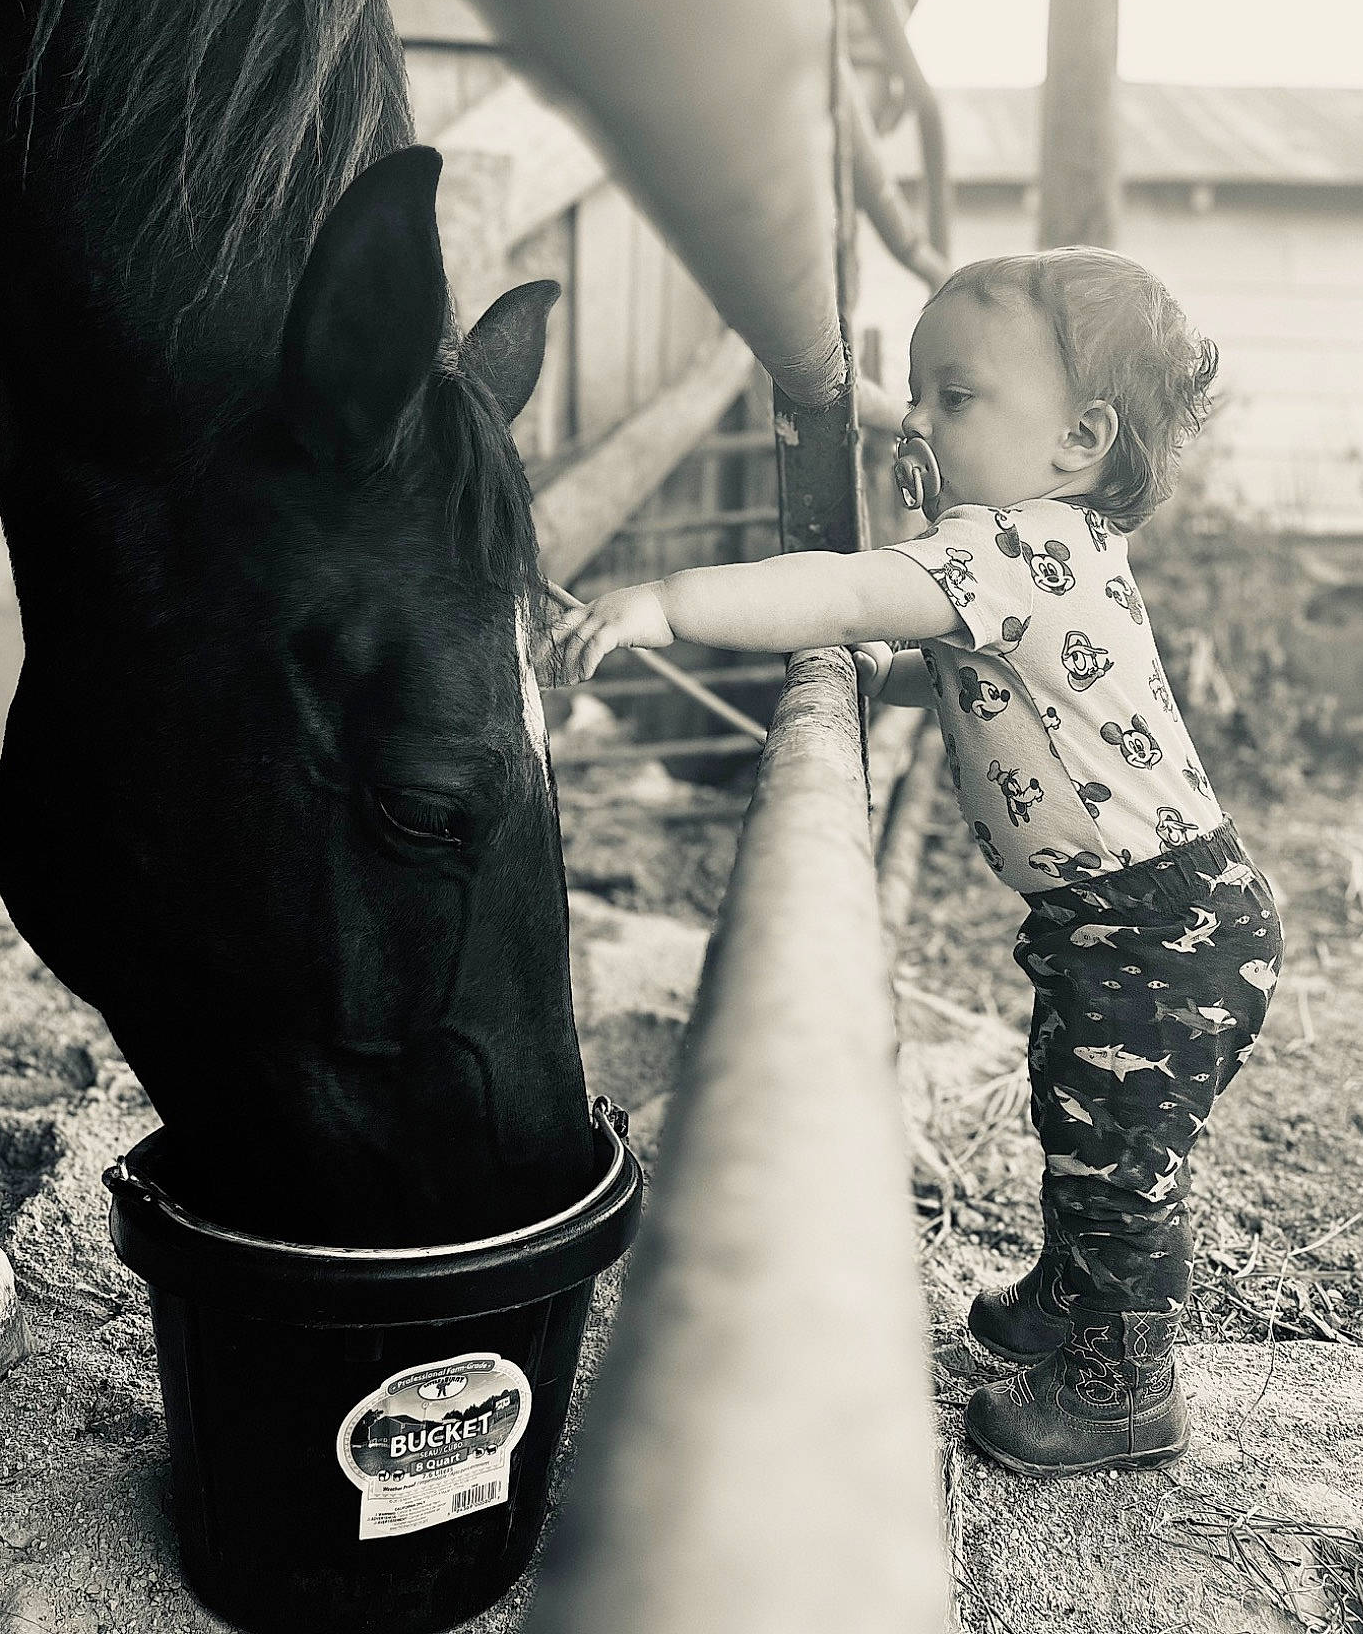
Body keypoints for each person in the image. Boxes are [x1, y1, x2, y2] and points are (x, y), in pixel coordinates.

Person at [549, 246, 1283, 1477]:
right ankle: (1076, 1290)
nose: (920, 425)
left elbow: (844, 589)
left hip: (1156, 923)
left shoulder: (1013, 546)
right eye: (913, 392)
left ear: (1079, 436)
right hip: (1146, 914)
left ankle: (1125, 1384)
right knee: (1094, 1118)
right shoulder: (1026, 551)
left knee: (1117, 1146)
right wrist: (875, 675)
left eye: (956, 396)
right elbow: (966, 670)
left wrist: (667, 602)